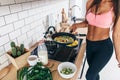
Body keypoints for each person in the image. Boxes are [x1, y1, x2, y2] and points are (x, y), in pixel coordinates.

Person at [70, 0, 120, 80]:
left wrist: (118, 55)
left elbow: (116, 34)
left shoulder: (116, 7)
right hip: (90, 45)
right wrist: (76, 25)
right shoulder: (90, 2)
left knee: (90, 75)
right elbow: (88, 22)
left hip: (104, 48)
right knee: (94, 74)